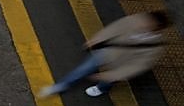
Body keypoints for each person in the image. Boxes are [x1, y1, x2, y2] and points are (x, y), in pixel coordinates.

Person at [37, 11, 172, 99]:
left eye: (149, 24)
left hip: (122, 63)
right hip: (108, 52)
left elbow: (137, 66)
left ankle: (102, 88)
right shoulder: (136, 20)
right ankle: (62, 85)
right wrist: (96, 39)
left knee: (108, 80)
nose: (143, 23)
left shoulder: (155, 46)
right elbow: (114, 29)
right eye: (147, 20)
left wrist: (112, 75)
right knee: (83, 69)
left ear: (156, 29)